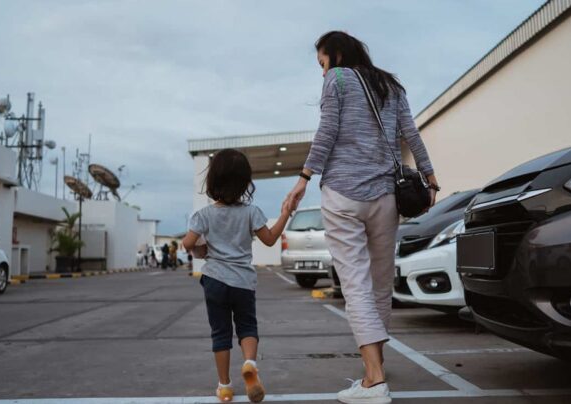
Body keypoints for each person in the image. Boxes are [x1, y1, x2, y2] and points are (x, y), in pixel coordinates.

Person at [284, 31, 439, 404]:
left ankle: (374, 379)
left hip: (342, 194)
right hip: (386, 196)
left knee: (355, 285)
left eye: (322, 63)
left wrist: (303, 178)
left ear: (336, 54)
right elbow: (410, 134)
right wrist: (430, 174)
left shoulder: (338, 79)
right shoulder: (390, 84)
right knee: (380, 286)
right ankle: (376, 369)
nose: (322, 74)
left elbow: (328, 131)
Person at [182, 149, 292, 403]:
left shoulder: (204, 215)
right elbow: (270, 238)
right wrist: (285, 211)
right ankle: (250, 364)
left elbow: (188, 244)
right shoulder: (251, 212)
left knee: (220, 333)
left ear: (213, 181)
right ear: (245, 182)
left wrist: (201, 248)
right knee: (247, 327)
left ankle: (225, 386)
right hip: (243, 282)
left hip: (215, 281)